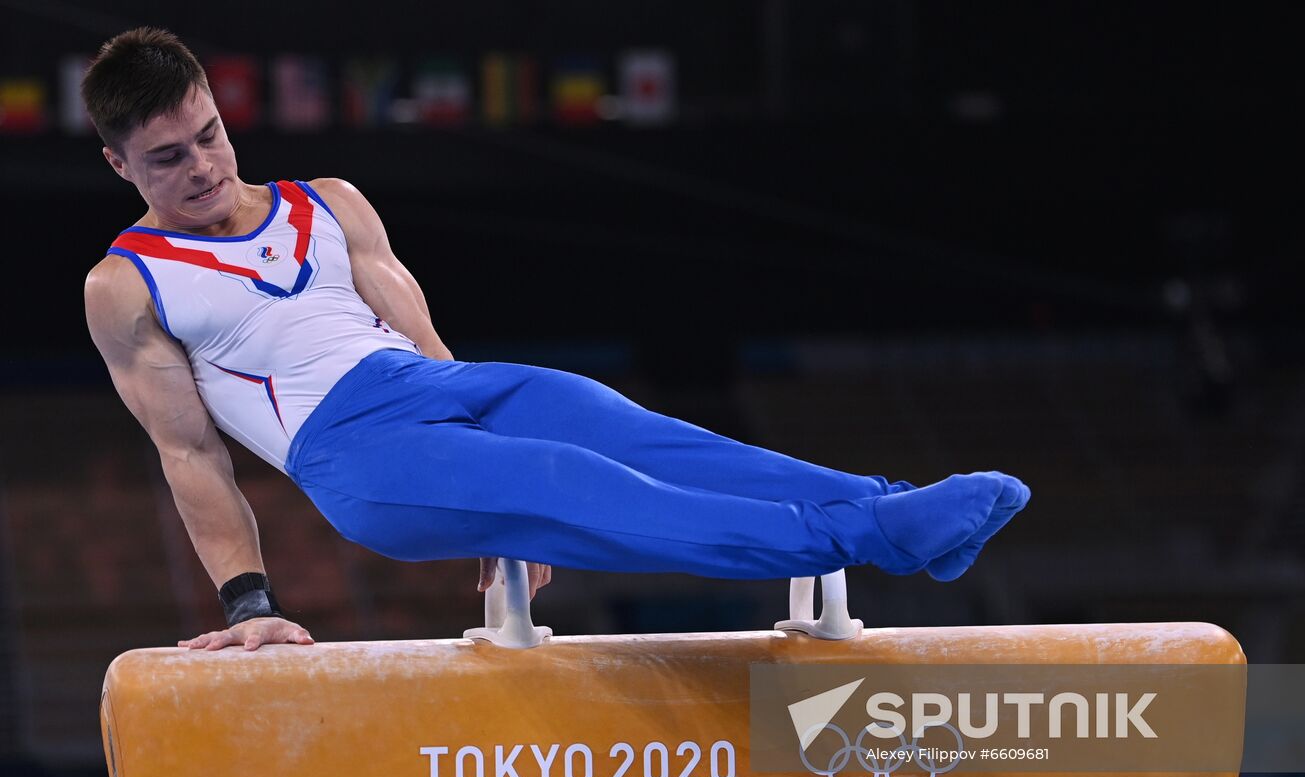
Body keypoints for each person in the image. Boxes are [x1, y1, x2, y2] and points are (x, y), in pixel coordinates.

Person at [81, 28, 1030, 653]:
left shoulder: (329, 205)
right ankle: (871, 535)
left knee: (629, 430)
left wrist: (485, 501)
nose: (202, 166)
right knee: (581, 488)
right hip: (352, 455)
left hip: (433, 395)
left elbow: (424, 345)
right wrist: (250, 605)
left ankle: (894, 507)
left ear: (217, 108)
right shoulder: (127, 286)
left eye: (208, 134)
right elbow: (190, 452)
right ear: (119, 162)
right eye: (167, 158)